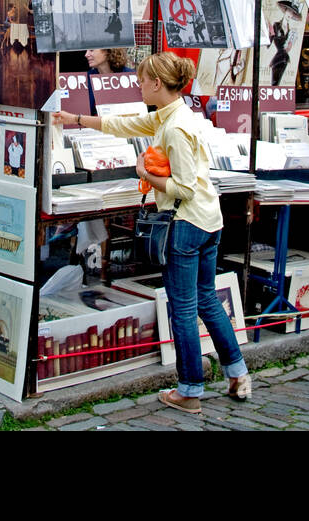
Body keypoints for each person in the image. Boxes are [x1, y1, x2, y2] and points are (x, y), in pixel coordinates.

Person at [54, 53, 252, 413]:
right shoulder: (173, 114)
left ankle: (190, 391)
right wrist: (76, 119)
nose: (138, 85)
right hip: (209, 221)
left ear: (157, 84)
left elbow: (185, 188)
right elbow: (126, 124)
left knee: (184, 308)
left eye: (143, 81)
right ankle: (237, 372)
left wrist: (144, 172)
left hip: (187, 223)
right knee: (206, 299)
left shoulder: (174, 127)